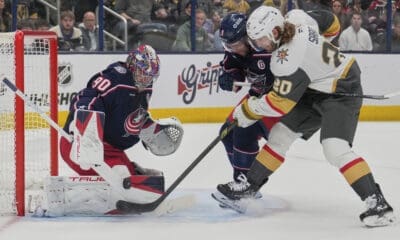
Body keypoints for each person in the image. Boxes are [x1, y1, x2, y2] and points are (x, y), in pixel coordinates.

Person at [212, 6, 395, 227]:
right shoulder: (297, 19)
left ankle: (378, 204)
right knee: (279, 135)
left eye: (260, 39)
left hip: (339, 90)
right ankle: (249, 187)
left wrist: (248, 110)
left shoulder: (284, 60)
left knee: (334, 148)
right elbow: (331, 24)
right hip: (315, 88)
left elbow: (279, 104)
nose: (257, 45)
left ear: (276, 33)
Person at [32, 45, 184, 216]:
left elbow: (132, 117)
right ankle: (56, 201)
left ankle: (113, 199)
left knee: (135, 180)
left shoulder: (145, 87)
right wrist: (84, 127)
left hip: (110, 150)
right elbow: (85, 98)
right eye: (143, 73)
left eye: (150, 76)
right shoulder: (114, 79)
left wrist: (149, 128)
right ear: (132, 66)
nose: (146, 79)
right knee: (122, 181)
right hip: (80, 145)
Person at [216, 12, 277, 203]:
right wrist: (229, 78)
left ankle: (246, 186)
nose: (232, 49)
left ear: (248, 37)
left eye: (235, 44)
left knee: (244, 129)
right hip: (257, 98)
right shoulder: (235, 50)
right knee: (227, 132)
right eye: (228, 45)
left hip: (279, 100)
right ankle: (246, 183)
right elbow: (234, 70)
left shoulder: (267, 47)